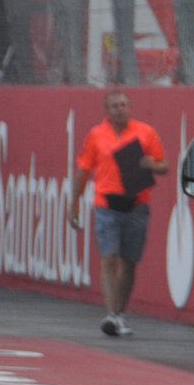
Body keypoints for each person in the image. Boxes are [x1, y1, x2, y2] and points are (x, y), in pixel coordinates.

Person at [68, 91, 168, 336]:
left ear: (130, 107)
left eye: (123, 105)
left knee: (129, 262)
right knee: (109, 258)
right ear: (107, 110)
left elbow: (163, 166)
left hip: (136, 204)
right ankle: (112, 314)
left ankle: (120, 313)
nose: (119, 109)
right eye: (114, 106)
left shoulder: (146, 132)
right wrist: (74, 202)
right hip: (106, 205)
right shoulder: (96, 135)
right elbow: (83, 171)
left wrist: (151, 165)